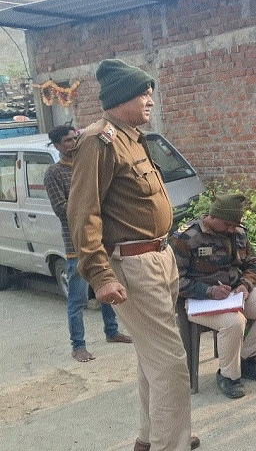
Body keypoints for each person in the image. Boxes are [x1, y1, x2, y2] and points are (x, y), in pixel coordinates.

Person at [67, 59, 198, 451]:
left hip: (159, 258)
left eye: (150, 92)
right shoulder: (99, 140)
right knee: (172, 364)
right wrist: (100, 274)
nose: (150, 100)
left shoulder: (133, 138)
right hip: (133, 266)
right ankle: (169, 444)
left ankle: (153, 437)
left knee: (152, 359)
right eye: (143, 93)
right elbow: (83, 212)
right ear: (121, 96)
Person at [169, 193, 256, 399]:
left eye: (235, 225)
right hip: (198, 302)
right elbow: (174, 281)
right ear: (213, 217)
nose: (233, 230)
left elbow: (253, 263)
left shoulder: (238, 232)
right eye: (228, 225)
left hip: (233, 293)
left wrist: (245, 285)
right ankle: (228, 376)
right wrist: (209, 291)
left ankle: (246, 358)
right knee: (234, 322)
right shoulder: (187, 237)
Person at [44, 124, 132, 363]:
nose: (74, 143)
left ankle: (112, 331)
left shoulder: (88, 163)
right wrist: (88, 207)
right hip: (77, 245)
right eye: (68, 140)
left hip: (102, 239)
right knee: (78, 299)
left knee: (107, 288)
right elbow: (62, 209)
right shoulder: (54, 173)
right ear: (58, 146)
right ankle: (78, 345)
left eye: (76, 138)